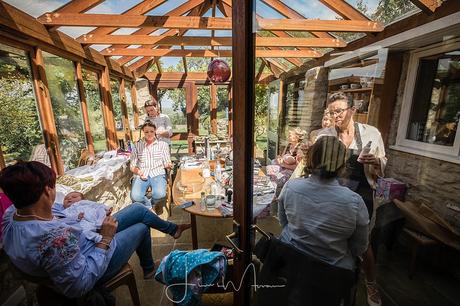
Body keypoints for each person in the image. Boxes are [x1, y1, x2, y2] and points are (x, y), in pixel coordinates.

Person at [0, 161, 191, 298]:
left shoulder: (12, 215)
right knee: (141, 228)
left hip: (88, 234)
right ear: (47, 191)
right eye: (53, 186)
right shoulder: (54, 238)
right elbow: (80, 284)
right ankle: (149, 269)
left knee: (137, 209)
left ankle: (172, 229)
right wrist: (105, 239)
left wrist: (84, 209)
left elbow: (62, 211)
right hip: (94, 257)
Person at [320, 92, 387, 306]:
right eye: (332, 112)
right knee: (334, 237)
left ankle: (370, 283)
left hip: (362, 191)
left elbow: (383, 164)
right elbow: (317, 165)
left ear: (352, 110)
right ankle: (335, 278)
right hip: (333, 192)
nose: (335, 116)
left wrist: (375, 161)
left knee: (363, 243)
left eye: (339, 111)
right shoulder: (325, 135)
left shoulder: (371, 133)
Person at [278, 136, 369, 271]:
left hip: (290, 260)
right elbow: (359, 246)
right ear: (342, 165)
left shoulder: (291, 187)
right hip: (331, 272)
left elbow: (284, 223)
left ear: (312, 159)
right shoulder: (354, 202)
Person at [130, 121, 171, 212]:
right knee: (135, 196)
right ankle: (149, 207)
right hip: (142, 174)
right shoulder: (137, 145)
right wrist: (139, 172)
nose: (149, 134)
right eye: (146, 132)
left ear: (155, 131)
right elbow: (132, 166)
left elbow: (167, 162)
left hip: (158, 173)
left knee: (160, 194)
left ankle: (153, 203)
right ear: (143, 132)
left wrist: (168, 165)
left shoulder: (163, 145)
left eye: (151, 131)